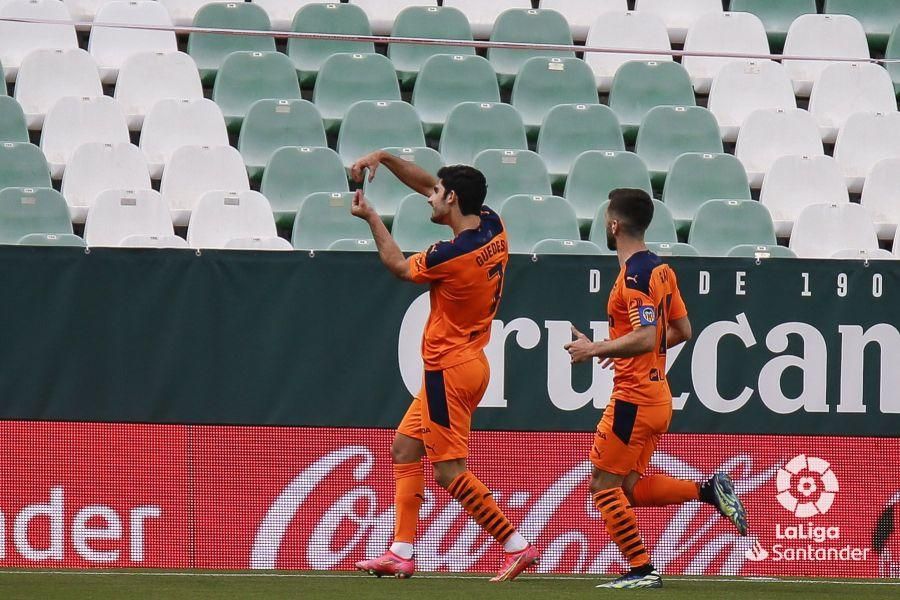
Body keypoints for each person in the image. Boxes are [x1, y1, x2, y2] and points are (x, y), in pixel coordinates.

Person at [348, 150, 539, 582]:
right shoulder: (493, 225)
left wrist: (372, 217)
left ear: (452, 198)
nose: (428, 196)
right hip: (471, 361)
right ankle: (401, 549)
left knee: (449, 470)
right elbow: (424, 183)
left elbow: (398, 266)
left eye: (436, 192)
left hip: (448, 370)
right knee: (404, 447)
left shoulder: (450, 255)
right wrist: (385, 158)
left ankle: (516, 545)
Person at [565, 188, 748, 589]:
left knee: (601, 486)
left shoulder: (634, 277)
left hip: (633, 400)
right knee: (627, 488)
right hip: (657, 396)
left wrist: (598, 347)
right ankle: (708, 489)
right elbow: (682, 330)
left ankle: (643, 570)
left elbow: (648, 336)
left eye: (605, 219)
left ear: (613, 225)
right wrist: (625, 349)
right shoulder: (661, 270)